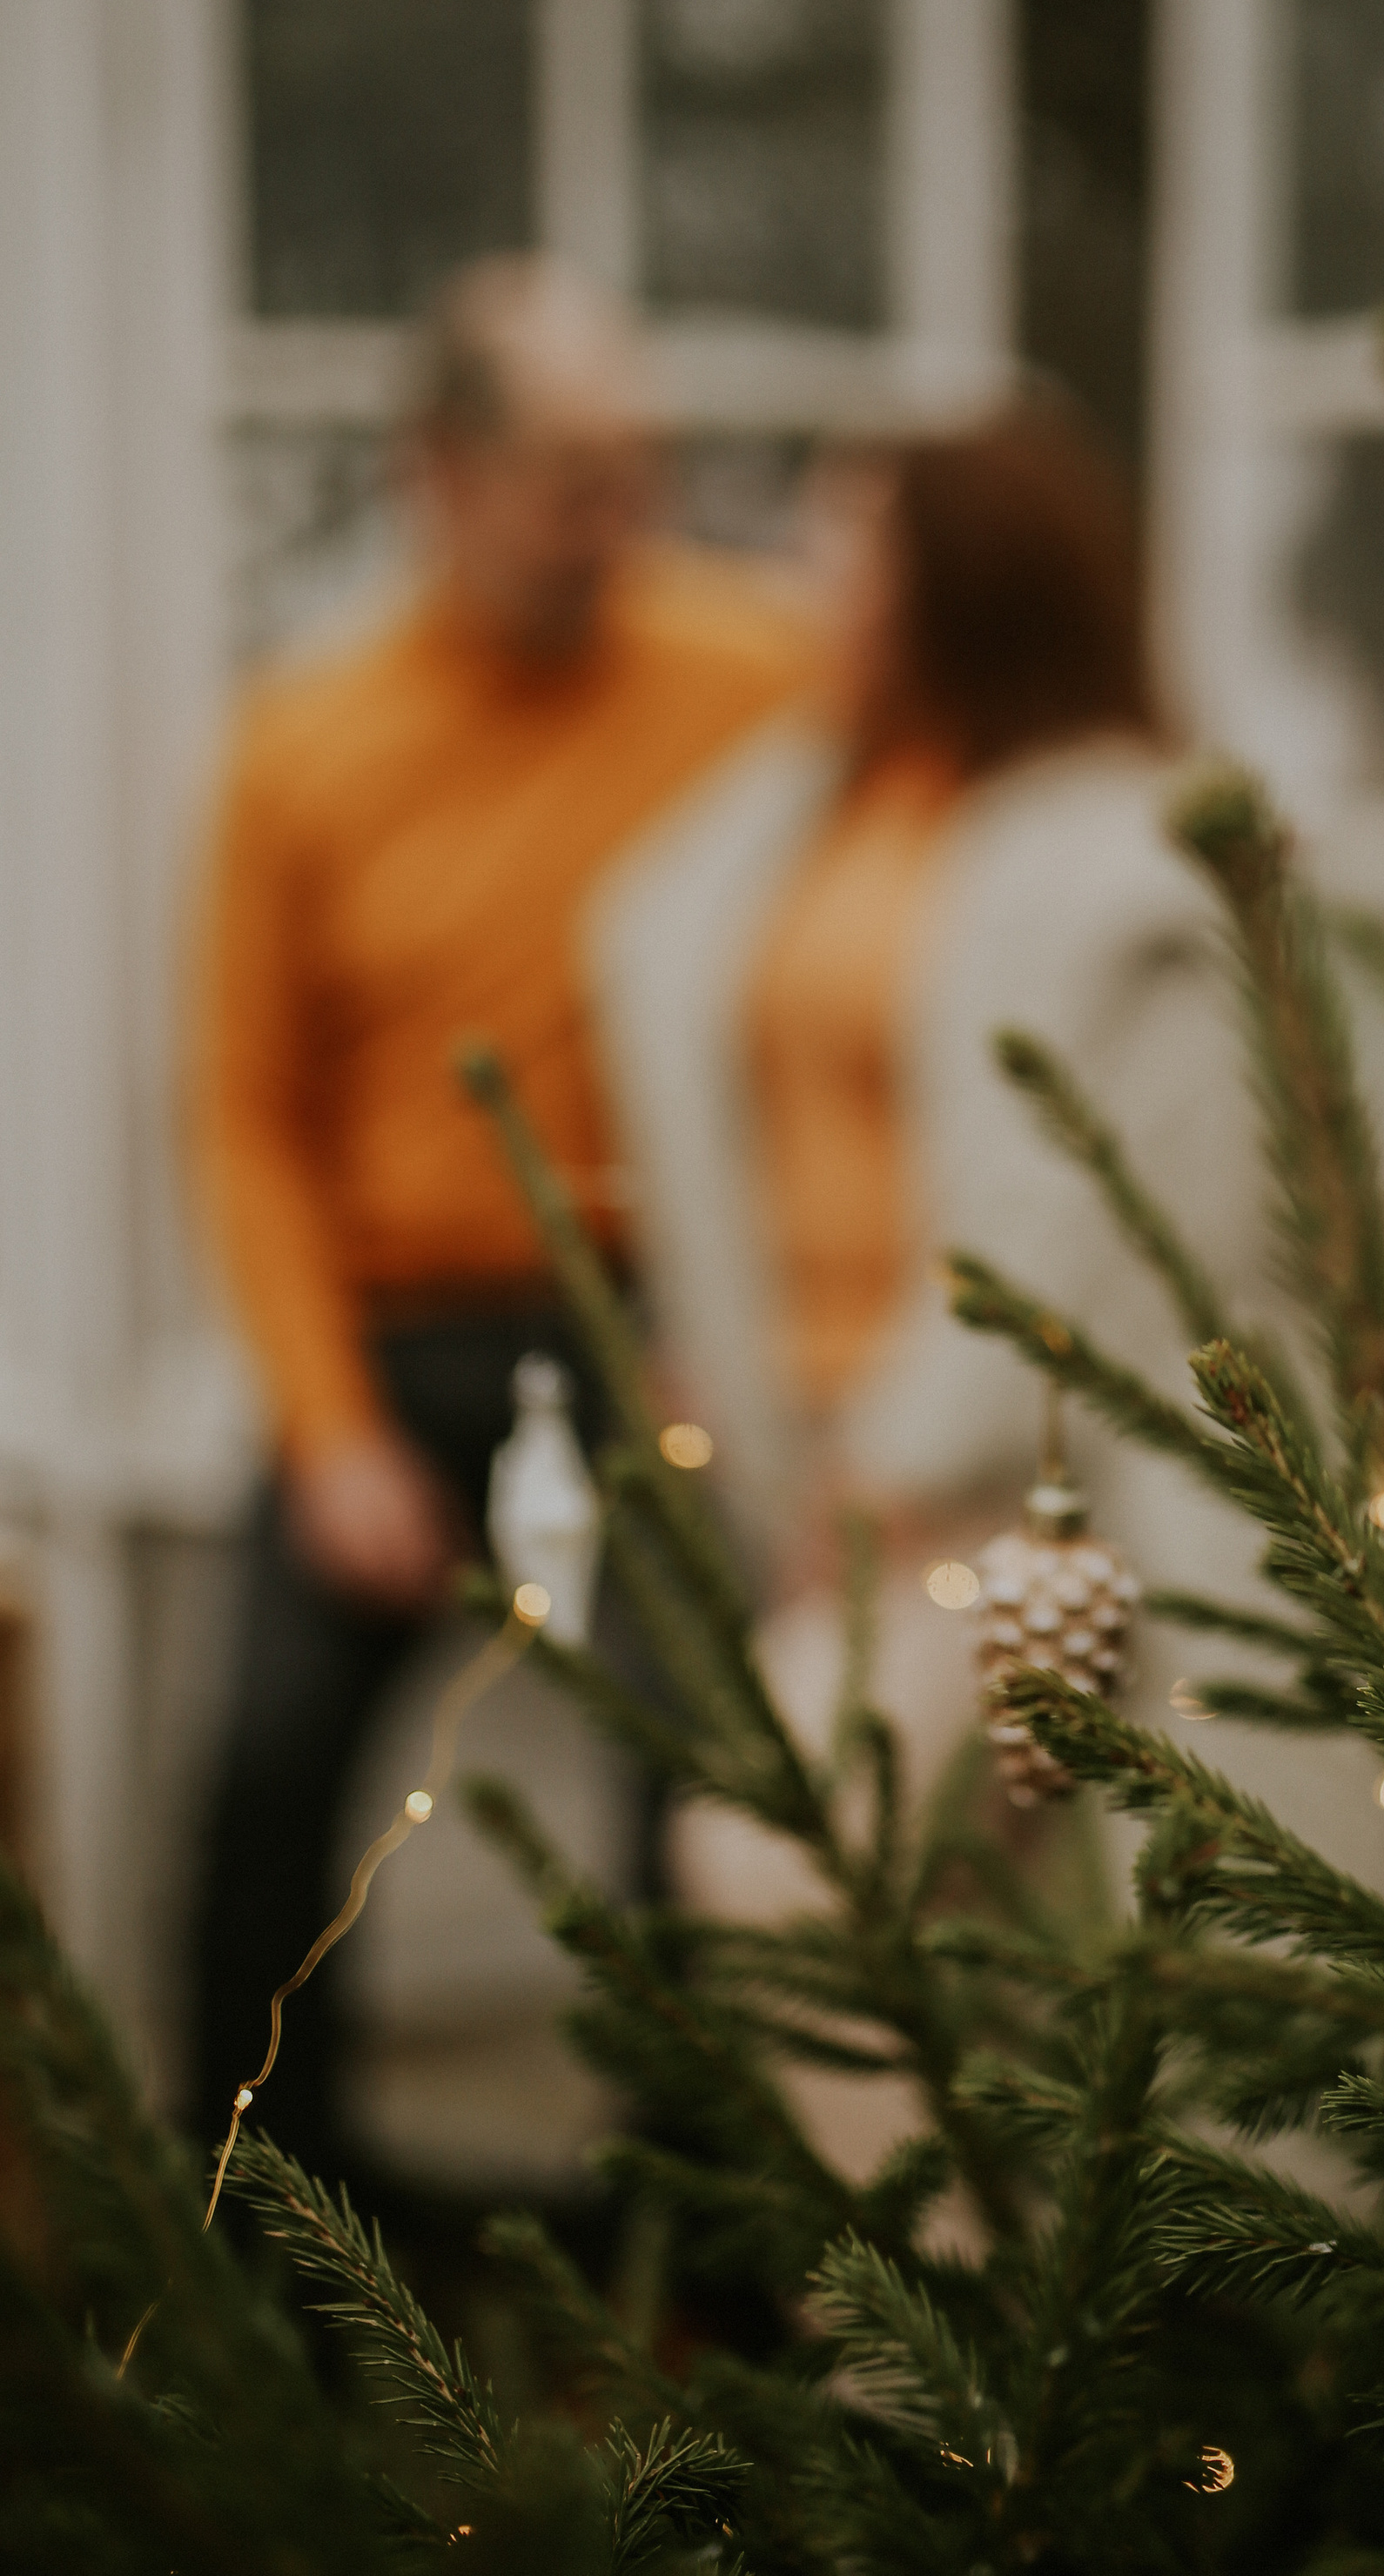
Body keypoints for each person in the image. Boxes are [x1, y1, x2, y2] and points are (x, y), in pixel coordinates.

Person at [185, 255, 815, 2183]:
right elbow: (240, 1115)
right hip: (388, 1342)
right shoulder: (302, 741)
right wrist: (325, 1430)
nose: (609, 518)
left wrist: (763, 1313)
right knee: (266, 1772)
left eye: (635, 468)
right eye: (565, 474)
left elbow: (828, 990)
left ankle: (705, 2237)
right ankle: (254, 2224)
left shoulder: (758, 672)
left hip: (655, 1326)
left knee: (696, 1782)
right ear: (432, 476)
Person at [588, 405, 1349, 1987]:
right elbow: (722, 1091)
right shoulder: (806, 804)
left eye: (842, 547)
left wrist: (904, 1463)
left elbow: (1082, 1202)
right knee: (919, 1925)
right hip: (795, 1448)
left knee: (783, 1859)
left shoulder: (1103, 847)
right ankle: (956, 2222)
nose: (809, 585)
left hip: (1011, 1487)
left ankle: (934, 2242)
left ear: (957, 581)